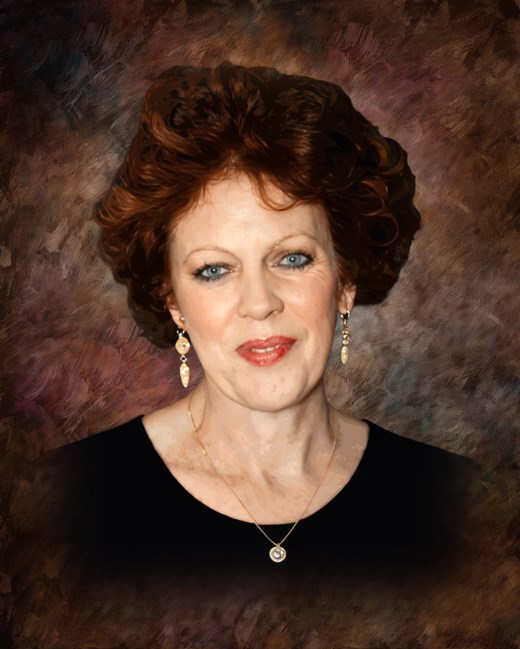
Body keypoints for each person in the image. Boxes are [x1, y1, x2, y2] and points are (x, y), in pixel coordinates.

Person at [36, 62, 480, 592]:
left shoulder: (461, 503)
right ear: (173, 302)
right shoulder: (59, 503)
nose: (259, 303)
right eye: (214, 270)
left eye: (292, 259)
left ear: (345, 281)